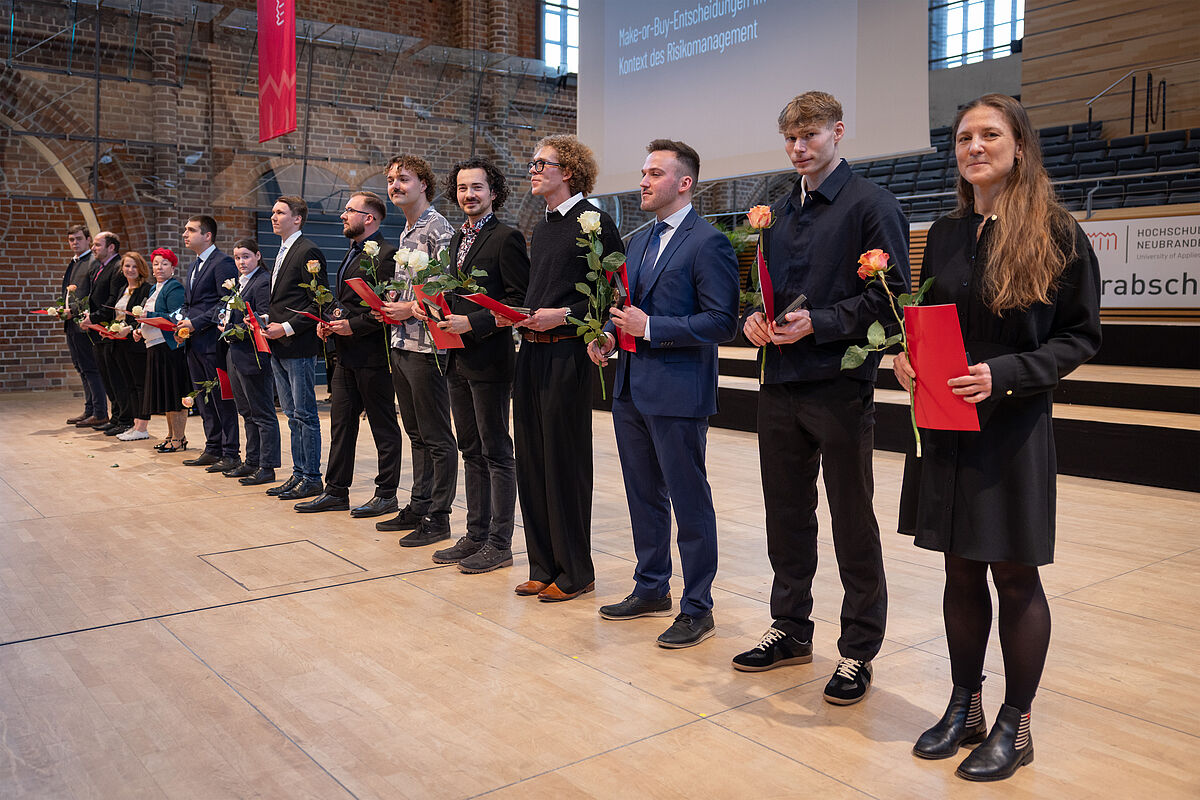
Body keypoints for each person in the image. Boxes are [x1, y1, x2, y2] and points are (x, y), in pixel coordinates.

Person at [895, 94, 1101, 781]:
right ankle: (965, 703)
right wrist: (908, 355)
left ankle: (1018, 722)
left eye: (989, 135)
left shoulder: (1058, 231)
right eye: (963, 138)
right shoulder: (948, 232)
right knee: (958, 567)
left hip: (1011, 423)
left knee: (1014, 575)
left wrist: (1008, 373)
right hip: (947, 419)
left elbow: (1081, 337)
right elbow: (932, 317)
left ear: (1020, 146)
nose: (973, 146)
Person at [733, 91, 909, 706]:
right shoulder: (777, 212)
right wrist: (756, 316)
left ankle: (858, 651)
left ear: (838, 132)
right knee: (785, 515)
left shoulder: (873, 205)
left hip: (839, 386)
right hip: (780, 381)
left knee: (851, 521)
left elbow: (892, 303)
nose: (799, 148)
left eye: (809, 136)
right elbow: (766, 291)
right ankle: (790, 628)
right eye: (790, 139)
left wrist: (822, 323)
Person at [589, 140, 739, 647]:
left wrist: (652, 327)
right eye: (643, 172)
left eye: (655, 173)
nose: (644, 181)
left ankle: (698, 606)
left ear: (685, 182)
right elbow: (630, 312)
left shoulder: (708, 242)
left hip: (678, 390)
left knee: (689, 500)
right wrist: (613, 338)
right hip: (631, 384)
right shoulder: (637, 242)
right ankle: (651, 586)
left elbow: (722, 322)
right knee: (641, 495)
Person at [499, 134, 623, 602]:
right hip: (530, 351)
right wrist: (515, 313)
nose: (532, 170)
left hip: (569, 353)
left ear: (567, 171)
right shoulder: (544, 224)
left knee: (564, 462)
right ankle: (543, 563)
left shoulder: (595, 222)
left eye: (540, 163)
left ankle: (576, 571)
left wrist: (565, 316)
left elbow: (612, 296)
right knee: (531, 459)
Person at [426, 156, 529, 573]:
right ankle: (475, 534)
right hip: (456, 359)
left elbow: (520, 300)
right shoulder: (454, 241)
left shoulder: (507, 237)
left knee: (496, 451)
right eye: (463, 188)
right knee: (470, 450)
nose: (469, 195)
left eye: (478, 188)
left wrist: (474, 322)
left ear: (494, 193)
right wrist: (431, 308)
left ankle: (500, 542)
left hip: (490, 358)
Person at [295, 192, 404, 517]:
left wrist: (351, 326)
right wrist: (328, 323)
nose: (343, 215)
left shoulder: (386, 254)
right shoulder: (352, 252)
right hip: (345, 355)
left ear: (369, 218)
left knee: (383, 426)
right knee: (341, 425)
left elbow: (383, 309)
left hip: (372, 356)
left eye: (349, 210)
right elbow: (350, 303)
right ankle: (336, 491)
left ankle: (386, 494)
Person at [373, 154, 458, 539]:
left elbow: (447, 289)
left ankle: (438, 517)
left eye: (403, 178)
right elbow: (412, 288)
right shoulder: (406, 232)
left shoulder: (438, 228)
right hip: (402, 341)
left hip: (428, 347)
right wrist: (392, 302)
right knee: (416, 434)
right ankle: (419, 505)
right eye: (391, 179)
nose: (395, 185)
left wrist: (409, 306)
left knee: (437, 437)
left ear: (424, 184)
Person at [262, 196, 328, 501]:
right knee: (290, 413)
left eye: (280, 213)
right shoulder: (283, 249)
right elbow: (286, 300)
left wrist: (286, 327)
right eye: (273, 212)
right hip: (278, 343)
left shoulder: (307, 250)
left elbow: (318, 300)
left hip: (298, 344)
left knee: (304, 414)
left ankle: (312, 477)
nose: (273, 217)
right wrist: (269, 319)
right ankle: (299, 473)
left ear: (297, 218)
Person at [176, 215, 241, 473]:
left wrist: (196, 323)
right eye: (185, 229)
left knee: (220, 397)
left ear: (207, 235)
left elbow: (224, 302)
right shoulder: (194, 266)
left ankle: (230, 452)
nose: (185, 234)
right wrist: (179, 319)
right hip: (193, 341)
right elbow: (189, 303)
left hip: (213, 341)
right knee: (202, 397)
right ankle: (213, 447)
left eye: (190, 230)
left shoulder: (222, 263)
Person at [219, 239, 280, 486]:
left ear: (257, 255)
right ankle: (252, 461)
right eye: (237, 258)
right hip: (236, 353)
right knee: (246, 412)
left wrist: (241, 325)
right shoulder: (241, 283)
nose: (241, 262)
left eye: (245, 256)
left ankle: (267, 466)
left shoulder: (262, 281)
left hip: (254, 354)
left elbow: (265, 316)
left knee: (263, 413)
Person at [134, 247, 190, 452]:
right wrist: (139, 330)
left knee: (175, 394)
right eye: (156, 263)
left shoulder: (173, 287)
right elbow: (150, 315)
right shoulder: (153, 288)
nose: (159, 267)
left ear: (173, 267)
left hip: (169, 347)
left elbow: (175, 316)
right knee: (166, 395)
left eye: (164, 263)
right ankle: (170, 436)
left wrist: (148, 315)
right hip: (154, 346)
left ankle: (179, 438)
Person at [81, 231, 129, 436]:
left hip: (110, 330)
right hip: (98, 330)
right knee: (107, 377)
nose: (93, 248)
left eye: (98, 245)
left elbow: (111, 301)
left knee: (116, 378)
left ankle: (123, 419)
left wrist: (95, 318)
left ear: (111, 247)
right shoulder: (99, 267)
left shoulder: (118, 268)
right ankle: (116, 416)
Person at [61, 224, 106, 428]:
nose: (75, 243)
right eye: (71, 239)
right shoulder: (75, 262)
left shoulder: (92, 263)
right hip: (71, 324)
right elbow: (72, 294)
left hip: (84, 324)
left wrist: (76, 312)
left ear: (88, 239)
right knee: (80, 367)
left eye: (78, 238)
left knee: (90, 368)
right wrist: (63, 308)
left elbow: (93, 296)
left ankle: (99, 412)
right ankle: (89, 410)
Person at [109, 251, 154, 441]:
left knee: (139, 385)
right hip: (120, 343)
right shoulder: (123, 290)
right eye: (127, 266)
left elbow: (145, 316)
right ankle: (135, 425)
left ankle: (142, 426)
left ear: (142, 268)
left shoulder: (146, 289)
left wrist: (130, 328)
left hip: (136, 343)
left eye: (135, 266)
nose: (130, 269)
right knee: (128, 385)